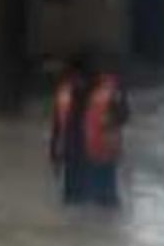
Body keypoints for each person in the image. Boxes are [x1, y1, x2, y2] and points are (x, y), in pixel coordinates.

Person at [49, 51, 130, 207]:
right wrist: (54, 155)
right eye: (73, 76)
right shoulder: (65, 92)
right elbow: (57, 126)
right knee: (73, 202)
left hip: (101, 158)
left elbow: (124, 116)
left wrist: (114, 114)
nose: (76, 80)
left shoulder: (111, 90)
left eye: (79, 76)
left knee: (105, 204)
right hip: (73, 157)